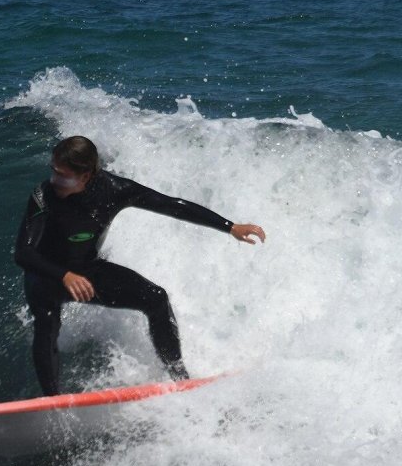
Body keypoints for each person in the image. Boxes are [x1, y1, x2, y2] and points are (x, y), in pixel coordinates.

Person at [14, 135, 265, 396]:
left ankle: (180, 380)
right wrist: (63, 275)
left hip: (88, 271)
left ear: (86, 175)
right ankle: (52, 401)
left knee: (156, 298)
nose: (54, 180)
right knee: (46, 324)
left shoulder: (114, 189)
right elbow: (23, 253)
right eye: (53, 171)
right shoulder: (43, 196)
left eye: (63, 175)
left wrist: (230, 227)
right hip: (46, 275)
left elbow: (171, 205)